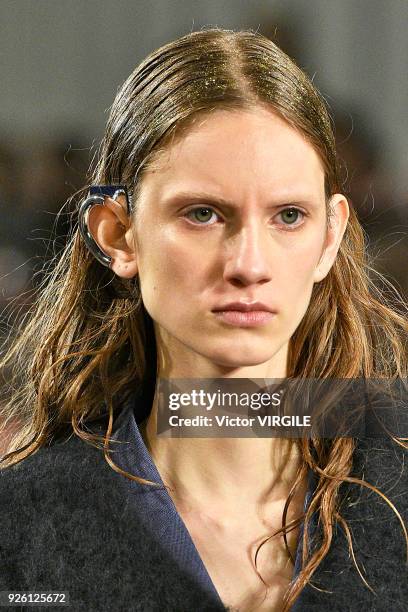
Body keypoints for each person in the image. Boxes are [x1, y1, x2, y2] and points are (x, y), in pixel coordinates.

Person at [0, 28, 407, 612]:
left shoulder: (396, 493)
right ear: (118, 233)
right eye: (202, 214)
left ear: (330, 235)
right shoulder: (25, 531)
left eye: (289, 215)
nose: (249, 264)